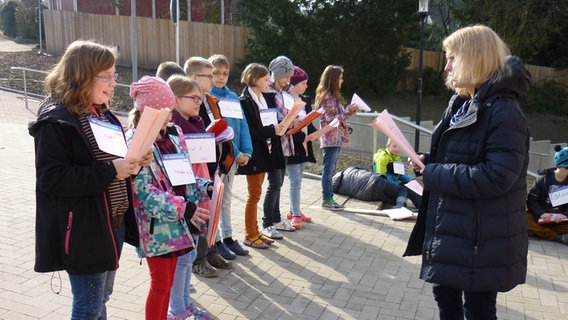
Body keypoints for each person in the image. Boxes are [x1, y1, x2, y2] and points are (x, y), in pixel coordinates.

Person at [403, 25, 531, 320]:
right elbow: (456, 155)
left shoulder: (504, 112)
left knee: (478, 310)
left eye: (452, 58)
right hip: (454, 227)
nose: (446, 66)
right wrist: (425, 161)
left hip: (481, 237)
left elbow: (497, 176)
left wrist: (433, 173)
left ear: (475, 58)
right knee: (445, 296)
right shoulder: (461, 102)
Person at [28, 40, 150, 319]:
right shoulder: (56, 120)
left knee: (101, 299)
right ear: (82, 76)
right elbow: (52, 178)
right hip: (84, 229)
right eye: (105, 76)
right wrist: (112, 170)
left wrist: (135, 165)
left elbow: (113, 165)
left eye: (114, 75)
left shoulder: (103, 114)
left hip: (113, 223)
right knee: (88, 305)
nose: (113, 83)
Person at [127, 76, 211, 320]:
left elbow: (182, 178)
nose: (169, 118)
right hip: (158, 229)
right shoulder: (138, 142)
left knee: (169, 283)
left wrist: (206, 187)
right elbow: (143, 192)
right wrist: (184, 208)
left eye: (169, 112)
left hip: (179, 223)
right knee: (161, 285)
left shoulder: (172, 137)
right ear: (148, 111)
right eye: (165, 112)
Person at [166, 75, 213, 319]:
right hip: (182, 199)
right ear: (174, 99)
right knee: (183, 259)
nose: (199, 102)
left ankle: (185, 303)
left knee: (191, 252)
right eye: (194, 98)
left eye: (200, 98)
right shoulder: (172, 127)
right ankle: (178, 309)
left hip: (196, 189)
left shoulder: (191, 122)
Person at [183, 57, 234, 277]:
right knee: (201, 211)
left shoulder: (210, 101)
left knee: (211, 210)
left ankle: (211, 250)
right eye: (209, 75)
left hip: (212, 163)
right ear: (194, 78)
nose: (214, 79)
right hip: (196, 169)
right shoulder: (189, 103)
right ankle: (198, 259)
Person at [238, 62, 287, 248]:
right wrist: (271, 130)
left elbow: (268, 123)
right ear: (254, 79)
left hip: (266, 152)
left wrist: (277, 128)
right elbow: (249, 131)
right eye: (266, 79)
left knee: (256, 193)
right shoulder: (245, 101)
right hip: (255, 153)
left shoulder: (263, 98)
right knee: (254, 194)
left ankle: (256, 231)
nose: (270, 82)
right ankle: (250, 234)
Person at [208, 54, 252, 257]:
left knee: (226, 199)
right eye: (216, 72)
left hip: (235, 157)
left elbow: (242, 126)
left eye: (225, 73)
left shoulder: (233, 97)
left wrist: (247, 152)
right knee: (215, 200)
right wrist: (237, 151)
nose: (221, 77)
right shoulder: (209, 98)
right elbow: (221, 129)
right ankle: (215, 240)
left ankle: (227, 236)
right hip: (220, 156)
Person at [261, 55, 297, 239]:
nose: (287, 81)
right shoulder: (266, 93)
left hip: (285, 143)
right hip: (272, 144)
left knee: (279, 183)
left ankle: (276, 219)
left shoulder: (286, 93)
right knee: (274, 183)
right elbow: (268, 117)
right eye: (285, 76)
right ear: (275, 74)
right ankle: (266, 223)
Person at [315, 65, 358, 210]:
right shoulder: (327, 97)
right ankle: (327, 199)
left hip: (336, 137)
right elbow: (330, 120)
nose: (342, 80)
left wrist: (346, 120)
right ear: (333, 79)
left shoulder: (333, 96)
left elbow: (337, 118)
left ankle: (329, 198)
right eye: (340, 78)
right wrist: (348, 111)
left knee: (331, 169)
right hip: (330, 138)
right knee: (328, 169)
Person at [285, 66, 316, 229]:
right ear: (294, 83)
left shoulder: (304, 99)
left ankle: (293, 209)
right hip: (291, 144)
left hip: (304, 143)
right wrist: (302, 136)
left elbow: (308, 121)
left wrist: (315, 133)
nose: (305, 86)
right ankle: (295, 214)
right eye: (303, 83)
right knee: (295, 179)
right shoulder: (286, 99)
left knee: (299, 177)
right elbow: (288, 125)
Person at [527, 145, 568, 245]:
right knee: (522, 219)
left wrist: (564, 215)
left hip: (561, 218)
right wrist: (541, 213)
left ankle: (539, 231)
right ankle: (558, 237)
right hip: (541, 215)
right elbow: (532, 200)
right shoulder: (543, 178)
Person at [373, 138, 422, 209]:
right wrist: (395, 184)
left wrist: (410, 179)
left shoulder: (397, 158)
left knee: (412, 189)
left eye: (399, 146)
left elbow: (400, 174)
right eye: (394, 146)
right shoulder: (383, 157)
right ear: (387, 146)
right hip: (386, 184)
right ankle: (400, 206)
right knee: (403, 190)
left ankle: (422, 207)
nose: (397, 149)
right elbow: (380, 175)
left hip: (395, 181)